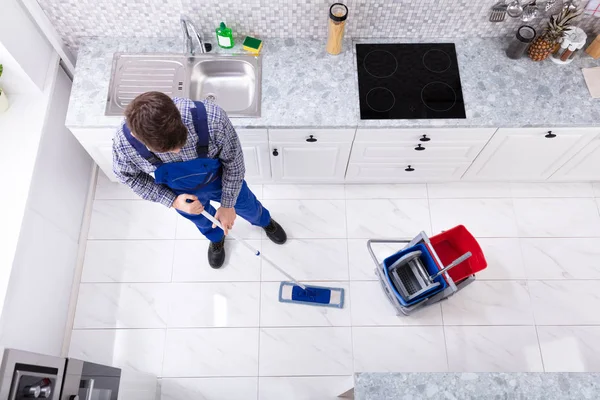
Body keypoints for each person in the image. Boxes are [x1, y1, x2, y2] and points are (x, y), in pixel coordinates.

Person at [112, 92, 287, 268]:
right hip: (181, 194)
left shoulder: (213, 120)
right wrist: (172, 201)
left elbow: (234, 163)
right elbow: (129, 177)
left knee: (248, 206)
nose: (178, 151)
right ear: (137, 136)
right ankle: (217, 239)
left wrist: (227, 205)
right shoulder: (124, 144)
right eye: (168, 150)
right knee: (205, 222)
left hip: (221, 180)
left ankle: (265, 221)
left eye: (181, 143)